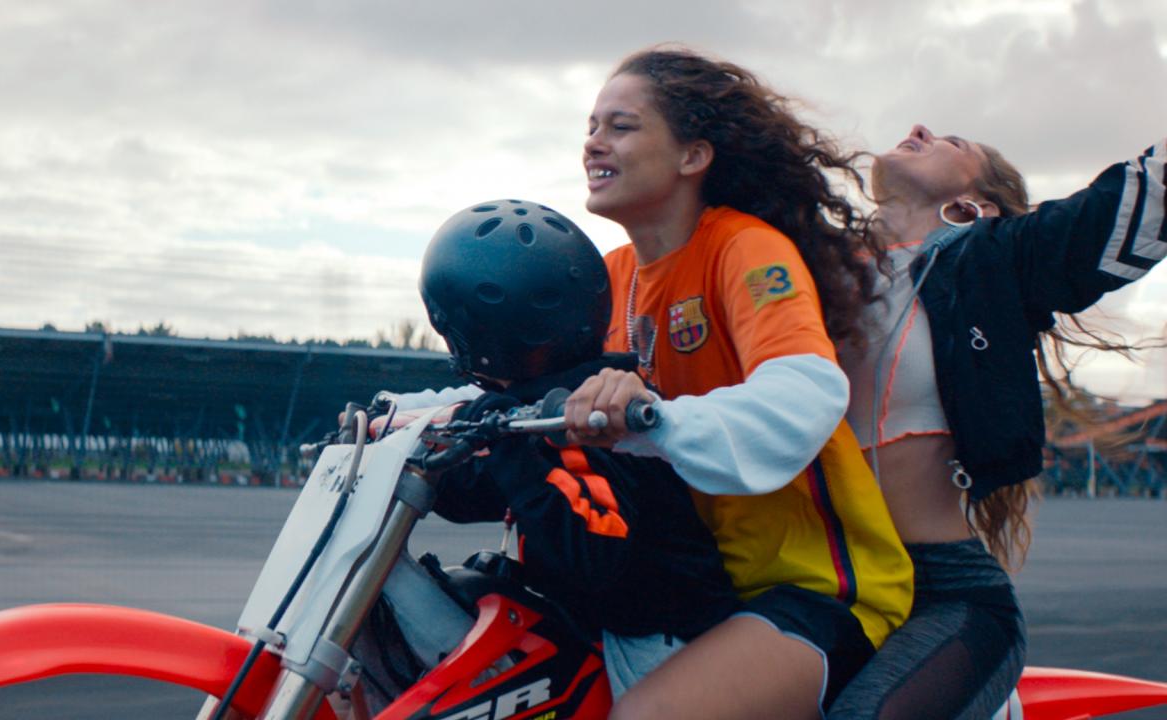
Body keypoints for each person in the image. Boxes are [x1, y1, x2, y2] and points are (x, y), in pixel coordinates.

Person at [557, 48, 914, 720]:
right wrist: (406, 417)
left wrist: (656, 417)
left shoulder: (743, 247)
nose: (593, 144)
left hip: (814, 587)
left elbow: (803, 391)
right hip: (691, 583)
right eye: (590, 127)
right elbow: (520, 388)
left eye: (621, 126)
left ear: (693, 156)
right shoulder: (606, 276)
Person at [825, 127, 1167, 720]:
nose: (919, 131)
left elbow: (1144, 195)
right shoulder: (805, 270)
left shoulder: (994, 260)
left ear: (973, 207)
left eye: (954, 142)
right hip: (814, 580)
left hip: (943, 595)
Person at [417, 199, 742, 696]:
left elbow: (595, 551)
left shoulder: (583, 418)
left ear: (471, 335)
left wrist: (504, 447)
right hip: (605, 625)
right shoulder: (544, 407)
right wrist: (418, 465)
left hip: (657, 642)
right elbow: (487, 492)